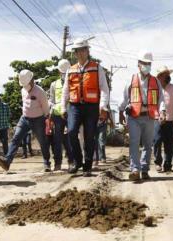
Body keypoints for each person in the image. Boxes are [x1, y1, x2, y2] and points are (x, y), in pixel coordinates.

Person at [61, 38, 109, 177]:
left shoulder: (96, 67)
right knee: (71, 132)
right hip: (75, 106)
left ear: (88, 51)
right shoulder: (71, 70)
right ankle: (77, 161)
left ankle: (87, 166)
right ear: (75, 53)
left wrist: (102, 106)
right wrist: (63, 107)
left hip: (91, 107)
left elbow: (104, 89)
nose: (81, 53)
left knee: (89, 137)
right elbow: (66, 90)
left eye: (83, 50)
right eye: (78, 51)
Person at [0, 69, 51, 172]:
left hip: (38, 120)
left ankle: (47, 163)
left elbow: (46, 109)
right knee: (16, 139)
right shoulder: (23, 90)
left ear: (32, 80)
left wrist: (47, 121)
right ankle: (7, 162)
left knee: (43, 142)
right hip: (24, 119)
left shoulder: (40, 92)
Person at [119, 51, 163, 181]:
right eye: (144, 63)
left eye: (149, 63)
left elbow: (161, 100)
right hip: (134, 117)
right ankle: (135, 169)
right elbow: (125, 99)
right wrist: (121, 111)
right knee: (134, 143)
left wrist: (163, 111)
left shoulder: (156, 81)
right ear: (138, 64)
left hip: (149, 117)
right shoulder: (131, 80)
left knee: (148, 144)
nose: (146, 65)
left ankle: (144, 169)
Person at [47, 59, 74, 170]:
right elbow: (51, 100)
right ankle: (58, 163)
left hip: (70, 114)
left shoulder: (73, 83)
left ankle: (72, 162)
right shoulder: (54, 84)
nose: (64, 75)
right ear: (59, 72)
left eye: (66, 73)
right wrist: (52, 108)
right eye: (63, 73)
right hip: (57, 115)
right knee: (57, 140)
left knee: (70, 139)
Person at [153, 66, 173, 172]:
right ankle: (158, 162)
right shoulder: (155, 88)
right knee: (157, 140)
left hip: (171, 119)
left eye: (168, 74)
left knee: (169, 143)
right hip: (156, 119)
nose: (168, 76)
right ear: (159, 76)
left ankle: (168, 164)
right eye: (165, 74)